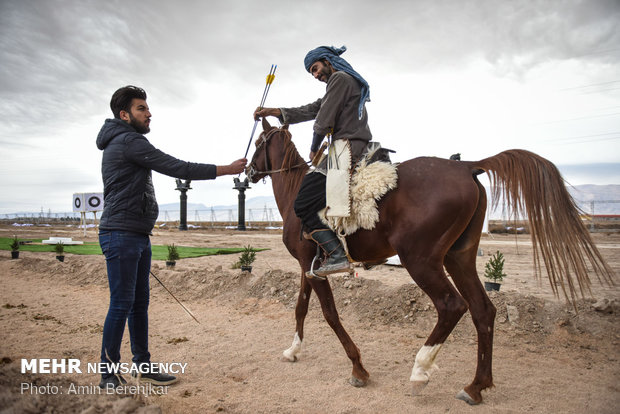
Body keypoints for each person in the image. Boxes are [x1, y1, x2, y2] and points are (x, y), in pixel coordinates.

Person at [96, 85, 246, 389]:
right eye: (141, 108)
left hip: (136, 234)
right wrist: (226, 169)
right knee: (121, 304)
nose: (149, 113)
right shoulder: (128, 141)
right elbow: (176, 166)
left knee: (138, 304)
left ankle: (143, 365)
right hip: (120, 235)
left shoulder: (127, 141)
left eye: (147, 107)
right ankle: (108, 375)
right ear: (124, 115)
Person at [254, 45, 372, 279]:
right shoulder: (341, 82)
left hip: (345, 148)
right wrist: (274, 111)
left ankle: (337, 255)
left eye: (316, 68)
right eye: (311, 73)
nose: (316, 75)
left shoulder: (339, 78)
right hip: (354, 145)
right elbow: (313, 109)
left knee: (303, 202)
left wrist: (313, 147)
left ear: (328, 61)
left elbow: (323, 120)